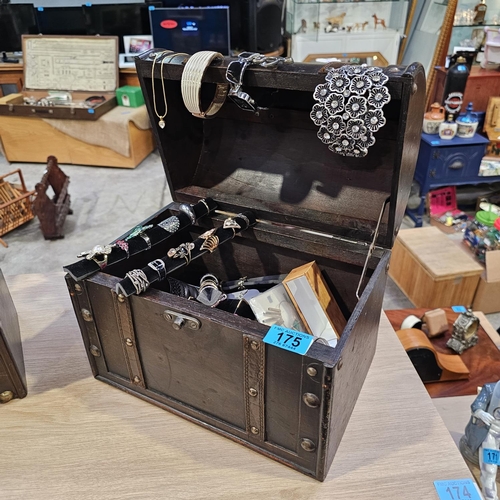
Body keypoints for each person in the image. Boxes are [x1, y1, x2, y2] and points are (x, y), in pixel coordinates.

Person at [462, 381, 500, 500]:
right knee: (489, 468)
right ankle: (490, 496)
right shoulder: (490, 389)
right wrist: (480, 413)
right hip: (490, 432)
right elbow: (476, 405)